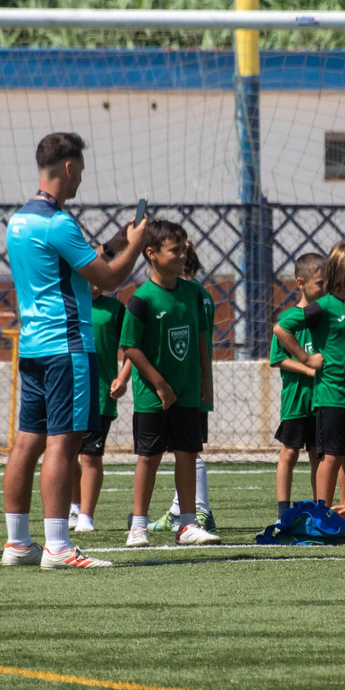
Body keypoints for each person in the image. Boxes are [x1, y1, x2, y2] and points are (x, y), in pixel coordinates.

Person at [1, 132, 144, 570]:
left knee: (27, 441)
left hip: (33, 346)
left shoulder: (19, 221)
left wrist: (108, 249)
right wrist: (135, 244)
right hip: (69, 347)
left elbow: (67, 266)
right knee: (65, 444)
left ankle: (17, 543)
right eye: (79, 168)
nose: (81, 176)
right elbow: (108, 279)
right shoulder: (59, 223)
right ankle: (59, 547)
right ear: (68, 168)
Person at [122, 220, 220, 547]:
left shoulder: (193, 293)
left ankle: (188, 523)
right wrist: (160, 384)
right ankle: (138, 525)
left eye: (183, 248)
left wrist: (206, 378)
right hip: (153, 395)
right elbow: (131, 347)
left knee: (187, 454)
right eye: (174, 250)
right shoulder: (142, 299)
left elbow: (201, 337)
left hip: (189, 391)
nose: (182, 255)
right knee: (149, 457)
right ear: (151, 254)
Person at [276, 242, 345, 524]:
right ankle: (322, 514)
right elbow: (281, 328)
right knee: (330, 458)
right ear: (342, 273)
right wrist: (306, 357)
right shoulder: (325, 307)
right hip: (331, 397)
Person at [151, 241, 218, 533]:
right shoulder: (199, 294)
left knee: (189, 451)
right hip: (189, 382)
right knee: (183, 449)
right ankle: (180, 509)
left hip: (187, 384)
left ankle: (199, 512)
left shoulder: (193, 296)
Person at [72, 233, 133, 533]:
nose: (95, 282)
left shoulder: (116, 310)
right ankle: (71, 508)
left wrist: (123, 377)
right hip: (68, 392)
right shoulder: (68, 306)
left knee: (90, 456)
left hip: (99, 396)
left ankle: (86, 516)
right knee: (64, 452)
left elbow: (133, 347)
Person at [271, 253, 325, 512]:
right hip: (296, 399)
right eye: (320, 284)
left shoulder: (328, 316)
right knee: (289, 453)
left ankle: (319, 508)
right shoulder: (289, 319)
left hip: (322, 399)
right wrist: (308, 369)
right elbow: (278, 358)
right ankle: (283, 511)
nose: (325, 289)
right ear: (301, 283)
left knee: (318, 456)